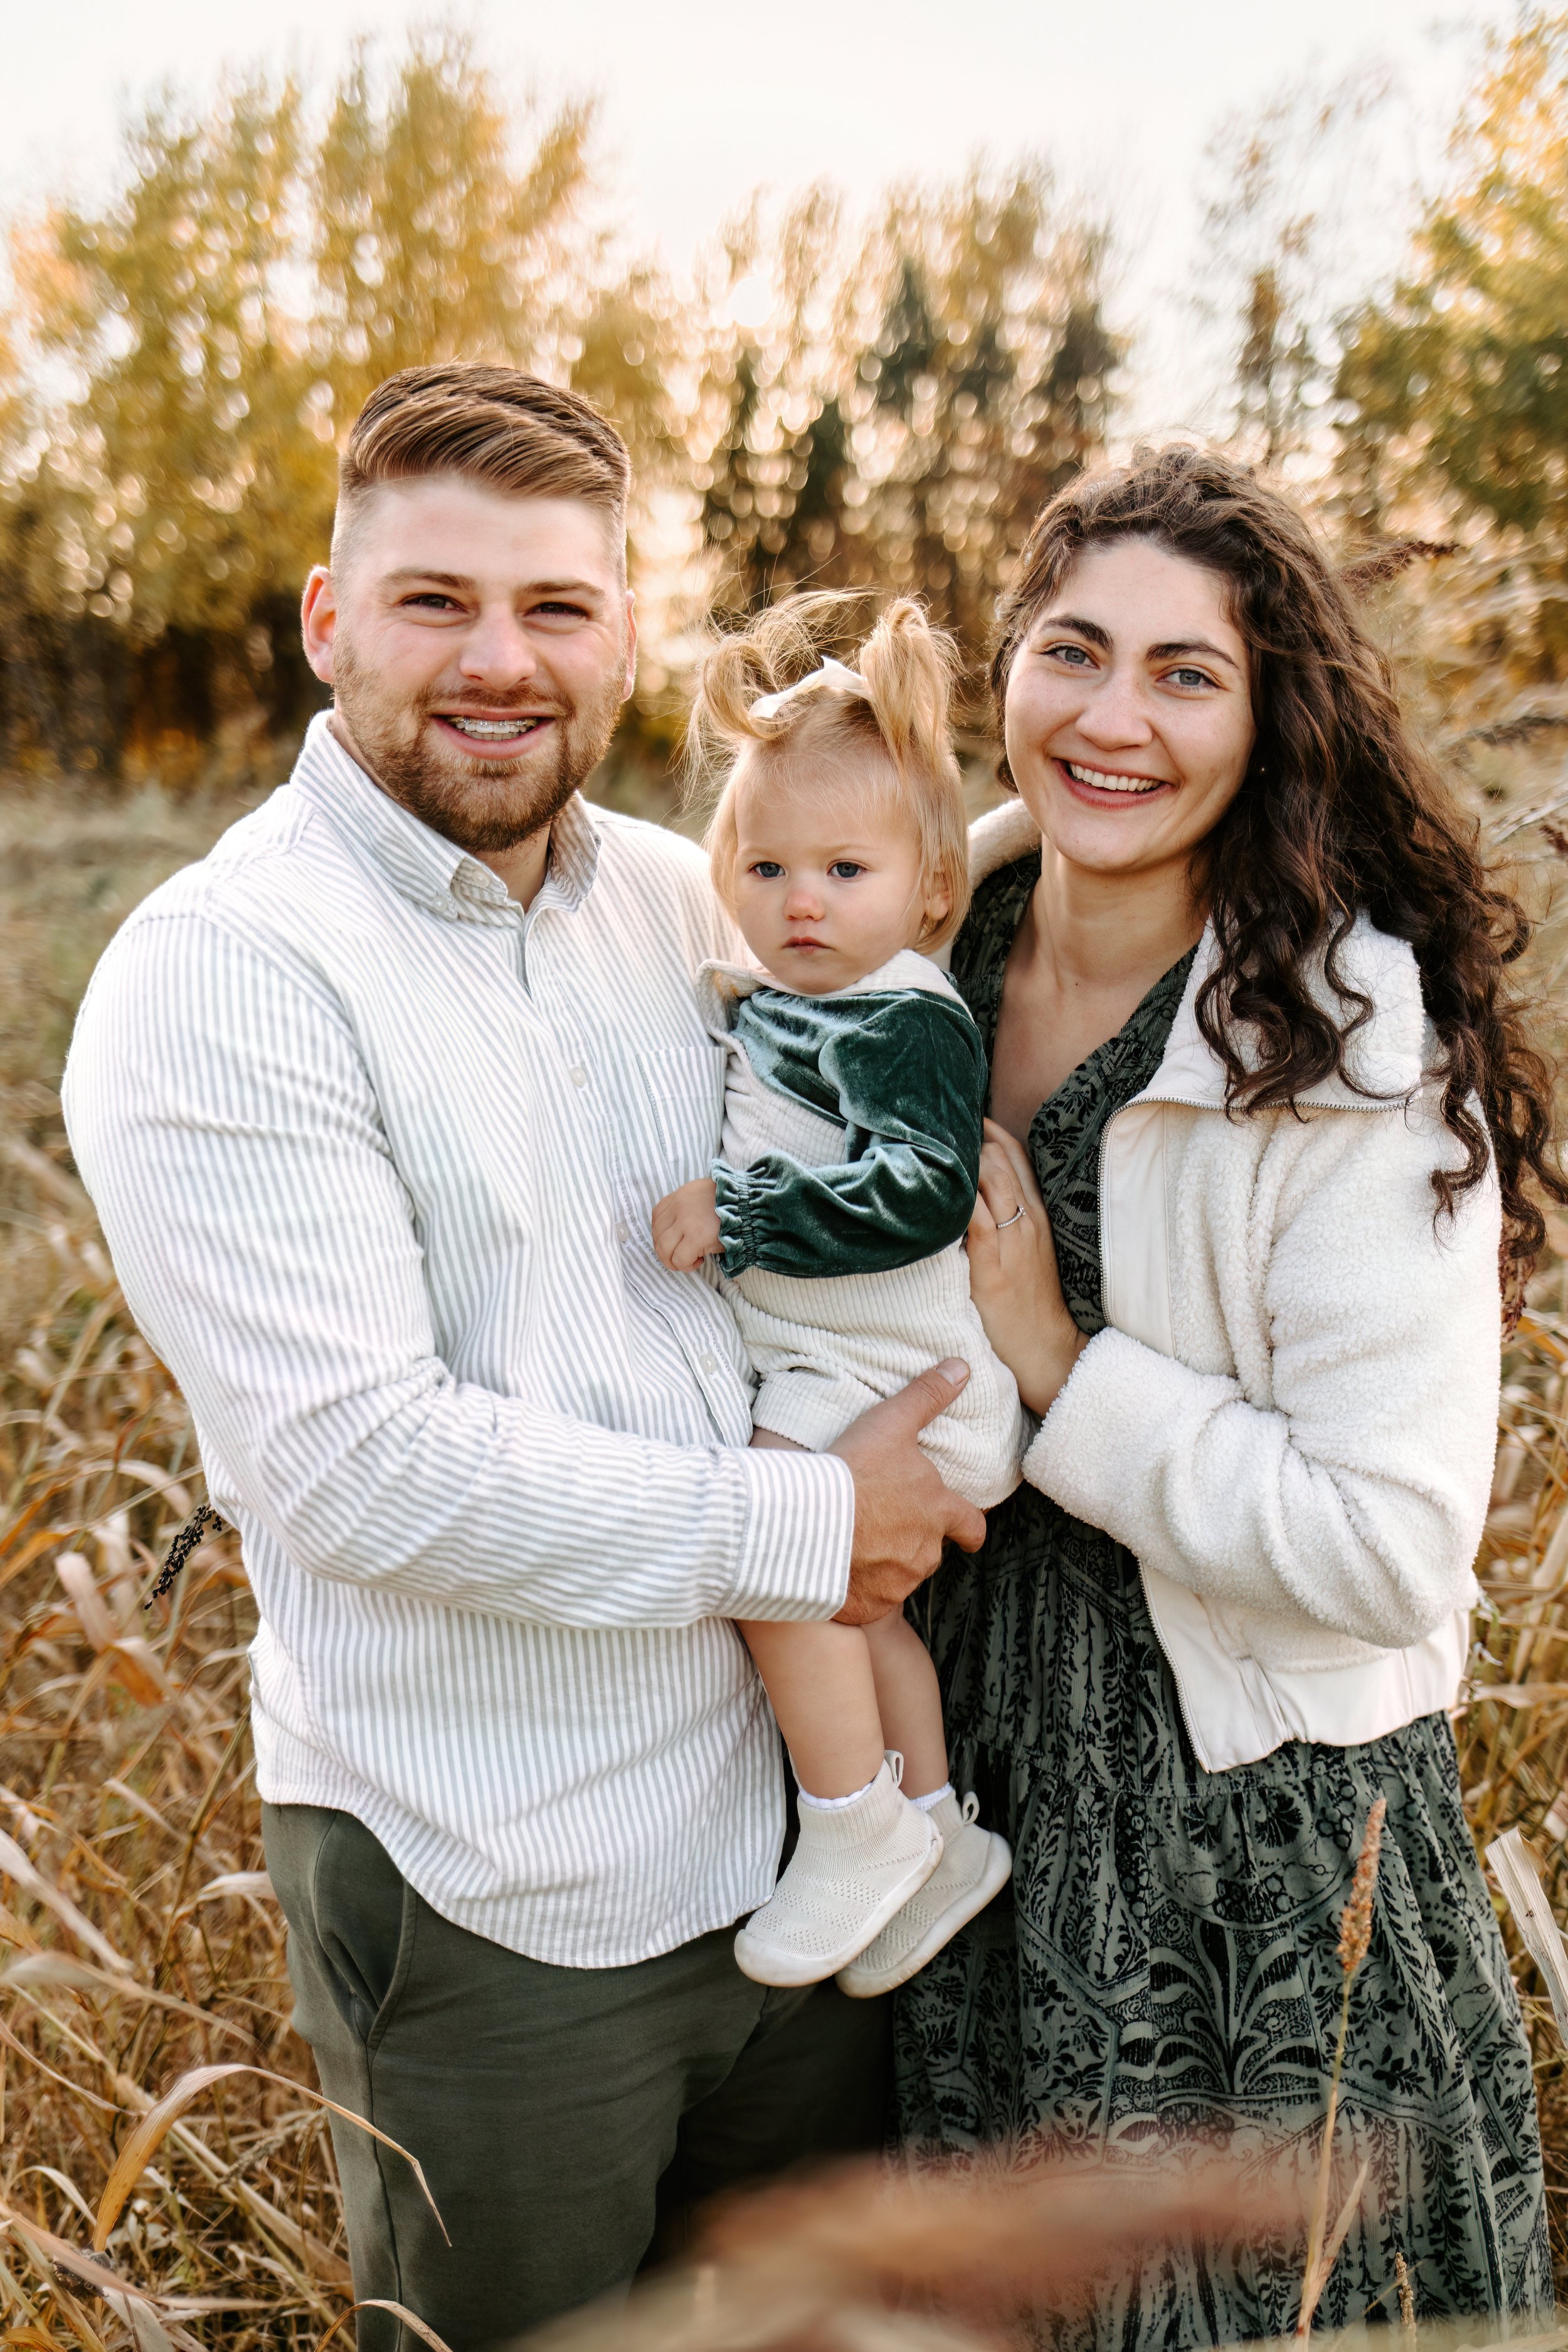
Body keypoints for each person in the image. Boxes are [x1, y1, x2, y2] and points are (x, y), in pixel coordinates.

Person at [61, 364, 987, 2352]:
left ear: (623, 631)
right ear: (328, 620)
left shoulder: (684, 899)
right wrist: (816, 1520)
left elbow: (917, 957)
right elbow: (357, 1466)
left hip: (793, 1846)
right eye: (435, 602)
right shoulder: (224, 974)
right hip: (497, 1891)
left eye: (557, 608)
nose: (501, 661)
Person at [895, 444, 1560, 2339]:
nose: (1112, 718)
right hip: (945, 1805)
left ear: (1268, 721)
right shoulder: (901, 949)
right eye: (1070, 650)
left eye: (1185, 673)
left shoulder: (1345, 1044)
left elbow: (1387, 1545)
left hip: (1243, 1855)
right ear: (1004, 666)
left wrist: (1060, 1363)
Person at [651, 593, 1019, 1996]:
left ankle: (848, 1818)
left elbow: (916, 1190)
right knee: (865, 1619)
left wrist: (739, 1210)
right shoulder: (805, 992)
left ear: (930, 889)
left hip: (898, 1381)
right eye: (763, 866)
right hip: (864, 1377)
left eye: (843, 871)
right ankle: (935, 1828)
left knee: (774, 1543)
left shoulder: (904, 1016)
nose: (798, 901)